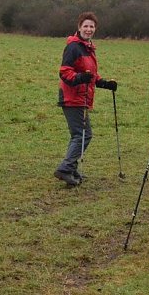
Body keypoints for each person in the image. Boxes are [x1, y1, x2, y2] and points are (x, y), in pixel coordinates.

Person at [54, 11, 117, 187]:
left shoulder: (88, 47)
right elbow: (65, 72)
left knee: (81, 134)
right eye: (85, 26)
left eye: (92, 26)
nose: (88, 29)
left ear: (95, 29)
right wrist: (80, 78)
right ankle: (65, 168)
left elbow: (91, 75)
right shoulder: (74, 47)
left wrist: (104, 83)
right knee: (82, 134)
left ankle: (71, 168)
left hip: (82, 97)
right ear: (79, 27)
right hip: (72, 97)